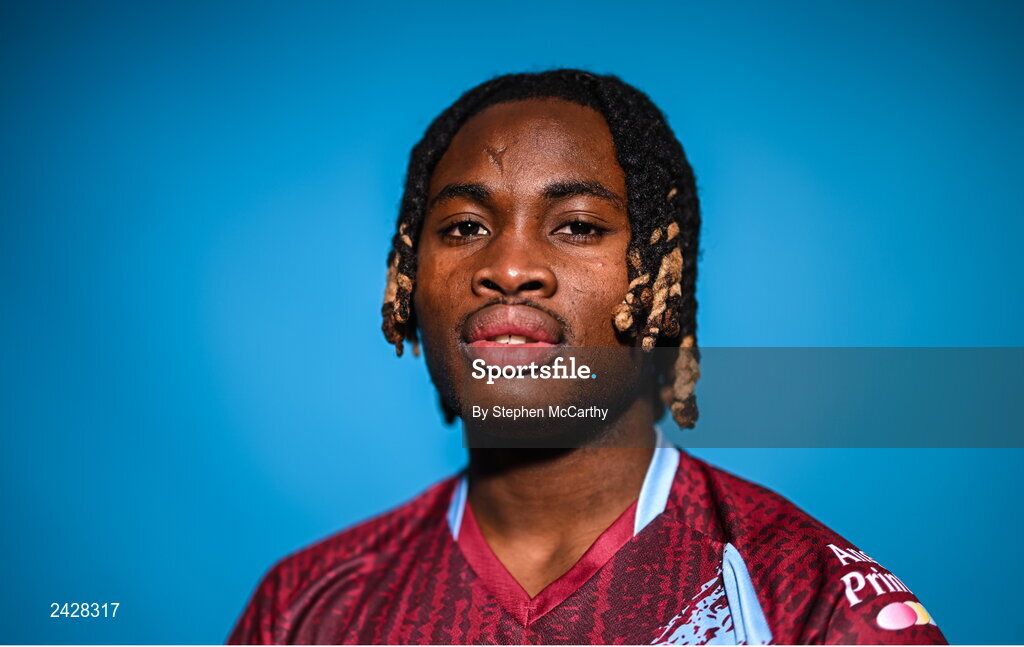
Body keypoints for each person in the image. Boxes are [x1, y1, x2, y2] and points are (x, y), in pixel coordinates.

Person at [228, 69, 945, 645]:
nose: (509, 266)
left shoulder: (818, 605)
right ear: (408, 281)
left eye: (576, 225)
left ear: (661, 278)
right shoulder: (303, 608)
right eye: (465, 225)